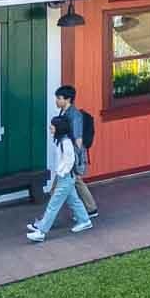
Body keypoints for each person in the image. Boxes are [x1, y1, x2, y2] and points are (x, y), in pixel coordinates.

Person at [27, 116, 93, 242]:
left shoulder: (65, 143)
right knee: (73, 200)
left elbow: (69, 160)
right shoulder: (61, 141)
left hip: (65, 177)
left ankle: (41, 231)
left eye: (52, 126)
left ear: (59, 128)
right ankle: (84, 220)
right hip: (65, 177)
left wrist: (61, 173)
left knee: (53, 205)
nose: (50, 128)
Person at [53, 84, 97, 219]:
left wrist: (77, 160)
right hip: (68, 154)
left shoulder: (75, 116)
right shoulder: (65, 112)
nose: (56, 101)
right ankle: (89, 209)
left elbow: (78, 139)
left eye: (59, 98)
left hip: (73, 155)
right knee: (73, 181)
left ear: (68, 99)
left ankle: (89, 209)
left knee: (73, 180)